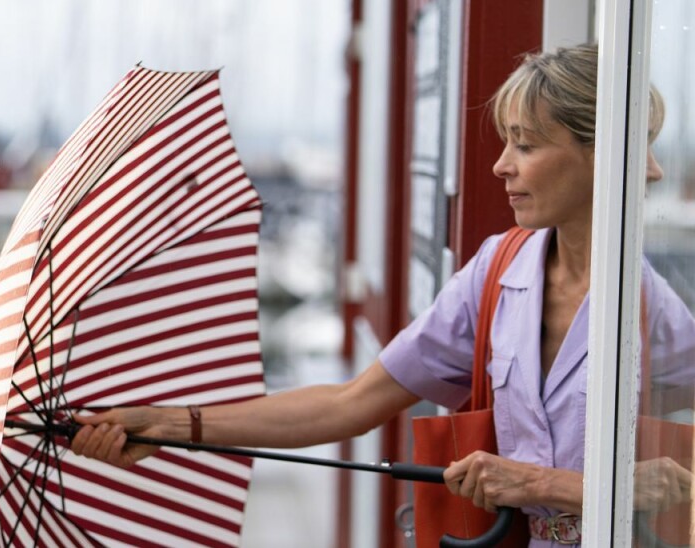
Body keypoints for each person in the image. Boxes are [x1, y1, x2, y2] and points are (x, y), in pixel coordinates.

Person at [70, 43, 694, 544]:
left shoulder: (657, 310)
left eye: (526, 145)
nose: (502, 165)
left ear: (604, 154)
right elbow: (347, 403)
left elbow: (668, 485)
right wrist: (169, 424)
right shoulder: (496, 272)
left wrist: (548, 484)